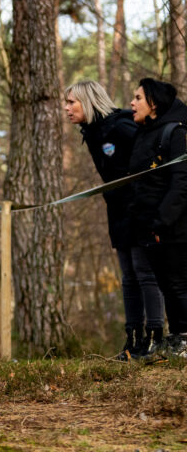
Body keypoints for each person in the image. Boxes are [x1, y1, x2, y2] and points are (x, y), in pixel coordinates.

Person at [65, 81, 164, 360]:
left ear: (88, 100)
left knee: (145, 273)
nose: (67, 108)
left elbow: (154, 159)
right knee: (128, 277)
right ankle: (134, 340)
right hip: (118, 211)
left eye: (72, 102)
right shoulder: (94, 131)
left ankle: (156, 339)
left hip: (142, 210)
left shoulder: (121, 126)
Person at [128, 77, 187, 357]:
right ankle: (177, 338)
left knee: (177, 282)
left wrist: (162, 221)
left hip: (175, 227)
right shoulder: (144, 133)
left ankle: (184, 338)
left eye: (138, 98)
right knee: (166, 283)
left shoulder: (175, 133)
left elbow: (181, 183)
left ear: (153, 104)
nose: (132, 103)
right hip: (150, 228)